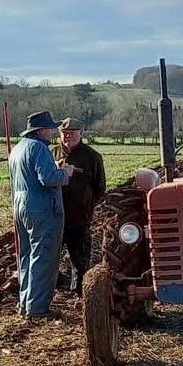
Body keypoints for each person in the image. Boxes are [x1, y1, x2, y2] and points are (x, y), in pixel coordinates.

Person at [8, 111, 76, 319]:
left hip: (21, 206)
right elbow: (47, 178)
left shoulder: (18, 149)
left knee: (26, 256)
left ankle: (25, 303)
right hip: (42, 208)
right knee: (44, 257)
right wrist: (66, 172)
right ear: (42, 130)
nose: (53, 133)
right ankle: (38, 308)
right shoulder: (39, 148)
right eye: (51, 129)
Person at [51, 117, 106, 295]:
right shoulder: (50, 153)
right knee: (50, 256)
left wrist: (86, 205)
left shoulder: (92, 157)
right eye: (64, 133)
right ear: (59, 134)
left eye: (72, 133)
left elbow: (100, 188)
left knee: (79, 258)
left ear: (80, 134)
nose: (68, 137)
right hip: (54, 217)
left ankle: (79, 293)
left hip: (79, 218)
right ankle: (52, 288)